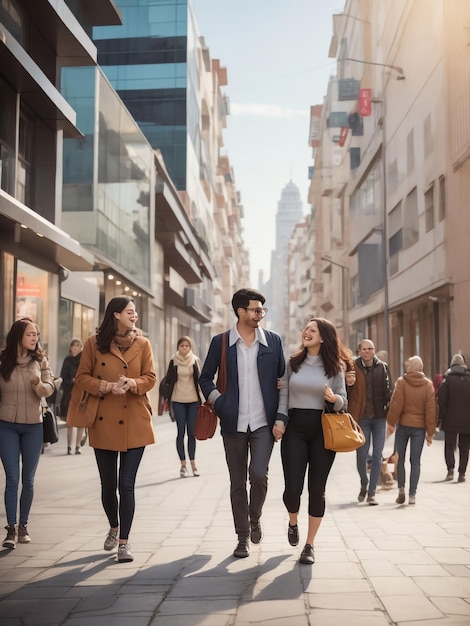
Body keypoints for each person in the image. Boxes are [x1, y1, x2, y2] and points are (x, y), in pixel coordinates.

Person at [68, 296, 156, 562]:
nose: (135, 316)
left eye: (135, 312)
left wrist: (132, 382)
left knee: (126, 484)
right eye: (130, 312)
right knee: (108, 486)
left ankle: (124, 542)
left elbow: (151, 378)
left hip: (135, 422)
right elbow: (81, 377)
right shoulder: (94, 344)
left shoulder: (143, 343)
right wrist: (106, 386)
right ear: (116, 315)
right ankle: (114, 526)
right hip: (104, 420)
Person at [199, 288, 285, 559]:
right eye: (255, 310)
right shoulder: (220, 342)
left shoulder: (273, 342)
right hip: (233, 424)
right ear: (240, 311)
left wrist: (281, 418)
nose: (260, 314)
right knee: (237, 482)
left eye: (262, 310)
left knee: (259, 475)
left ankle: (255, 517)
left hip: (263, 424)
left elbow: (283, 381)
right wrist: (220, 403)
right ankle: (242, 536)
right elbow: (205, 378)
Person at [276, 318, 348, 565]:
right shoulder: (293, 363)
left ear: (323, 337)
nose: (306, 332)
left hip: (323, 431)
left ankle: (309, 544)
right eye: (306, 329)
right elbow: (284, 393)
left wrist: (334, 398)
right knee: (293, 489)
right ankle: (293, 522)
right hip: (295, 429)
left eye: (312, 330)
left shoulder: (335, 366)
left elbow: (343, 401)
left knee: (317, 489)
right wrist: (280, 421)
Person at [0, 318, 54, 549]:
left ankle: (24, 525)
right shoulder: (3, 360)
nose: (35, 338)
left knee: (28, 480)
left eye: (36, 334)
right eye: (31, 334)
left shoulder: (40, 360)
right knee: (12, 478)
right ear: (19, 335)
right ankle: (10, 529)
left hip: (33, 425)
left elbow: (50, 387)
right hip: (6, 425)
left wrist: (38, 386)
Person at [386, 356, 436, 505]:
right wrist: (430, 433)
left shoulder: (402, 382)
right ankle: (412, 495)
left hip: (403, 426)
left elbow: (396, 404)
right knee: (415, 461)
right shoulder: (428, 385)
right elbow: (431, 410)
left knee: (399, 459)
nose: (406, 368)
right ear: (420, 368)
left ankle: (401, 489)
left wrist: (391, 422)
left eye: (407, 366)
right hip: (419, 429)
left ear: (411, 368)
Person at [347, 339, 392, 505]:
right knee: (362, 454)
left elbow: (390, 393)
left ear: (374, 350)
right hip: (362, 418)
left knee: (378, 455)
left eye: (370, 348)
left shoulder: (383, 367)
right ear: (359, 351)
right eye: (364, 349)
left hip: (380, 417)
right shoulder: (352, 367)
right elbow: (346, 392)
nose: (367, 351)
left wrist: (392, 417)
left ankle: (372, 492)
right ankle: (364, 483)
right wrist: (348, 384)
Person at [164, 336, 202, 477]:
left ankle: (193, 464)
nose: (184, 348)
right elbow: (168, 380)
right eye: (182, 346)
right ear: (178, 347)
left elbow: (200, 381)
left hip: (193, 401)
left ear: (190, 347)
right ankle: (183, 465)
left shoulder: (195, 361)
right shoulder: (173, 361)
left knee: (192, 434)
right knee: (181, 433)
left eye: (187, 346)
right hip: (178, 400)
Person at [437, 354, 470, 483]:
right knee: (465, 447)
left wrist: (440, 418)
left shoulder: (447, 380)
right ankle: (462, 473)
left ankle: (450, 470)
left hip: (450, 419)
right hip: (467, 421)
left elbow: (442, 400)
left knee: (449, 445)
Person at [59, 338, 85, 456]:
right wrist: (71, 381)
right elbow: (63, 376)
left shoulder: (83, 360)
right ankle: (69, 447)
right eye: (73, 346)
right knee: (70, 422)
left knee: (80, 421)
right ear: (70, 347)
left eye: (78, 346)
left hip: (81, 393)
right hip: (70, 393)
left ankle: (78, 446)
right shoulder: (67, 360)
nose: (75, 348)